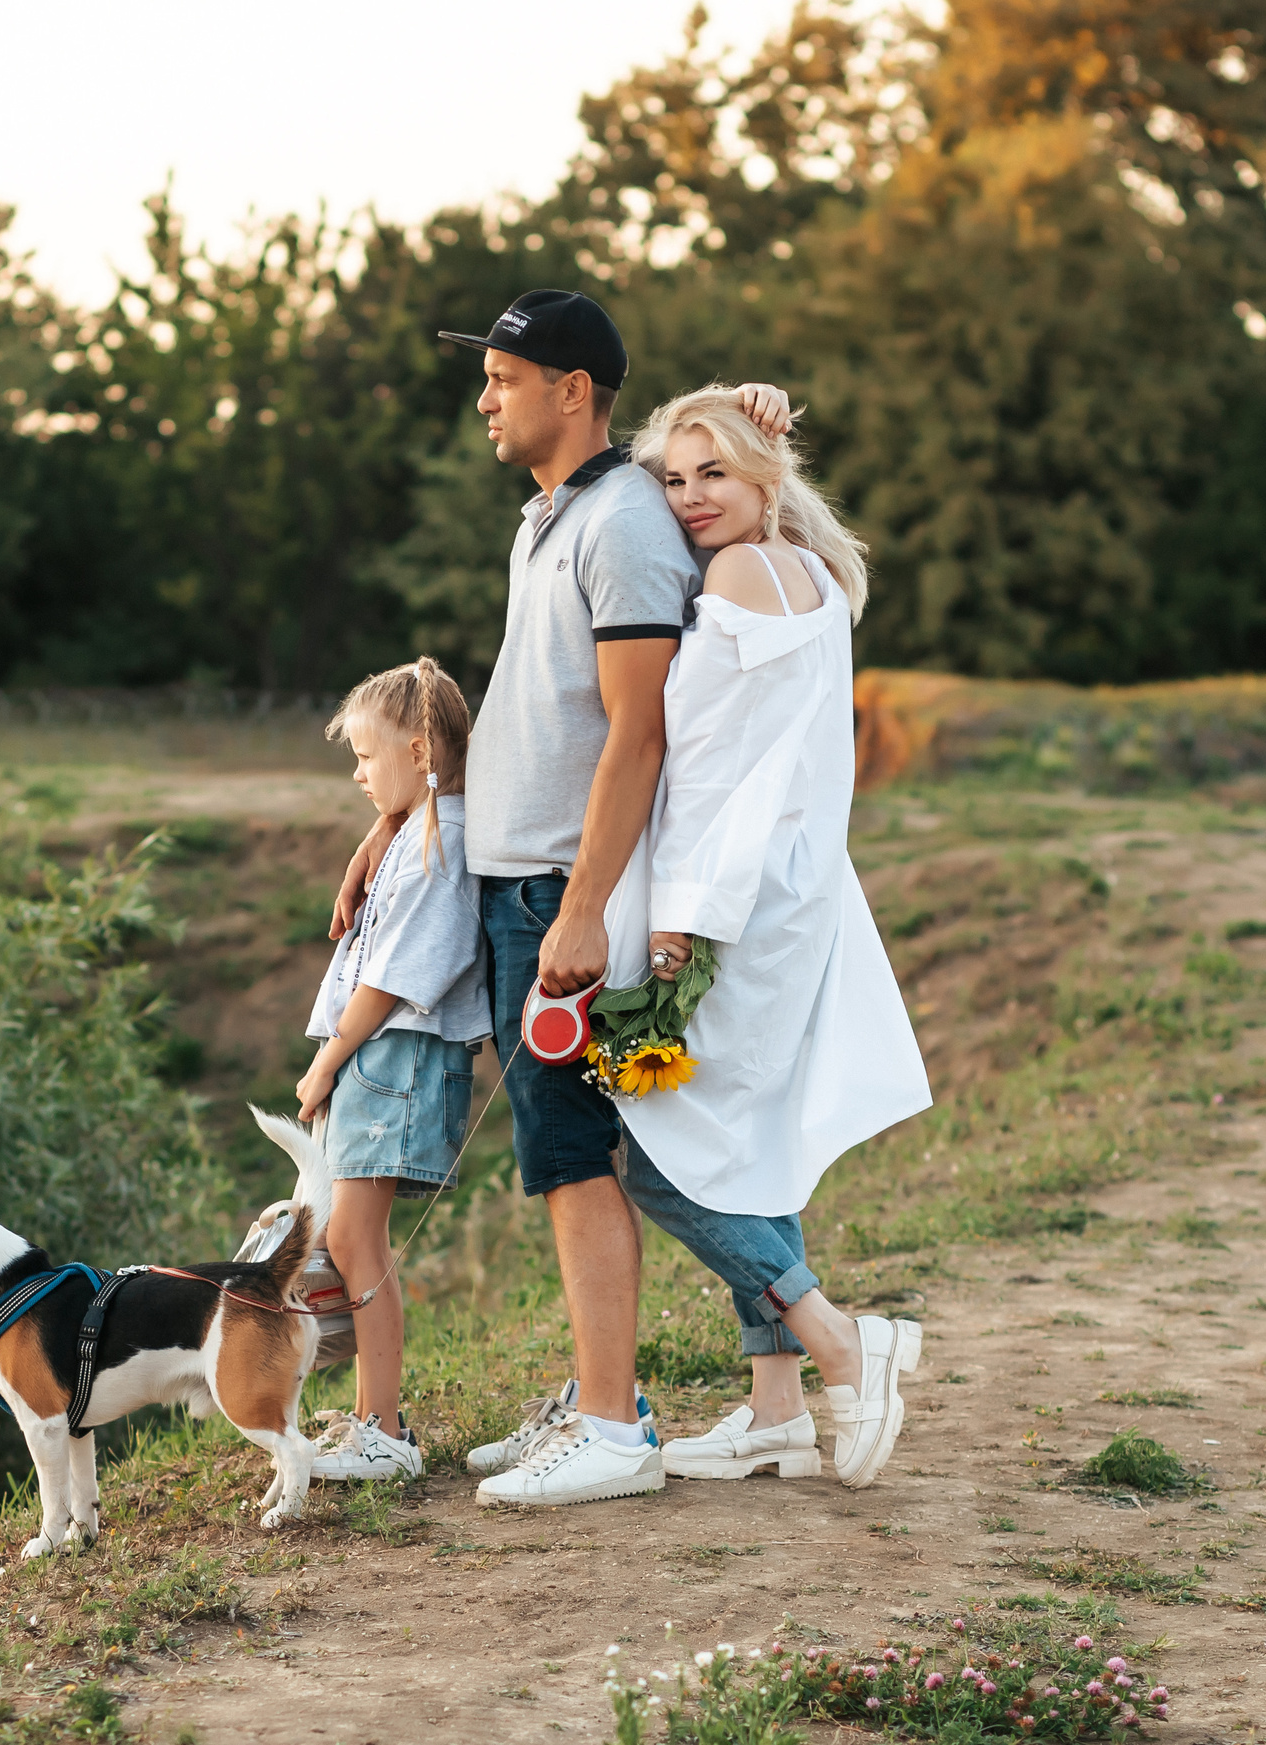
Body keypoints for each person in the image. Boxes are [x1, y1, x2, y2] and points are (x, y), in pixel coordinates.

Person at [329, 290, 790, 1507]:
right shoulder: (556, 515)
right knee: (557, 1152)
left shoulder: (625, 522)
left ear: (570, 387)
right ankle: (612, 1399)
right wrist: (396, 825)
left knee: (578, 1156)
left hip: (558, 892)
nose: (484, 397)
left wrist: (583, 907)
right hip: (513, 878)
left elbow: (635, 733)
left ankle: (615, 1430)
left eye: (502, 376)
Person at [596, 385, 934, 1488]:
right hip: (791, 891)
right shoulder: (813, 576)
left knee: (656, 1157)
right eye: (674, 479)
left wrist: (678, 929)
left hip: (729, 897)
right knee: (744, 1139)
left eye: (714, 476)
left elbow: (712, 775)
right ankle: (776, 1406)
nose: (690, 499)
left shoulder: (739, 577)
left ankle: (842, 1341)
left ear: (765, 481)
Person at [293, 658, 490, 1483]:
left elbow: (395, 978)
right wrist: (377, 834)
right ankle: (379, 1415)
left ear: (417, 751)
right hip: (383, 1056)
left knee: (354, 1235)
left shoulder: (438, 847)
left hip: (394, 1055)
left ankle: (384, 1427)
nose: (358, 773)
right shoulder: (416, 832)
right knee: (347, 1231)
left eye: (368, 758)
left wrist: (326, 1063)